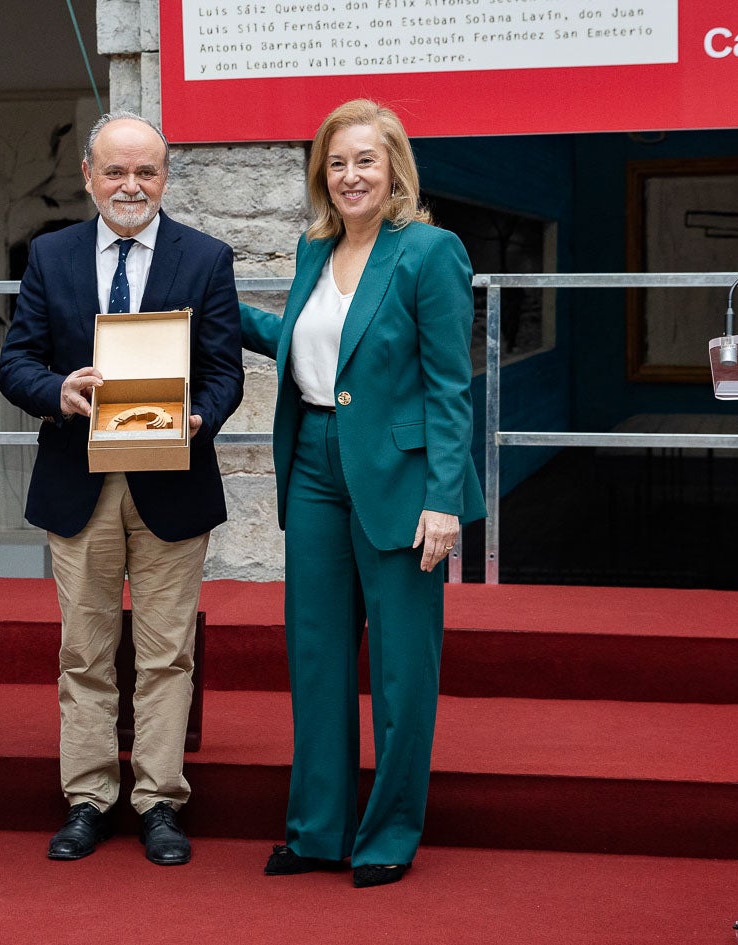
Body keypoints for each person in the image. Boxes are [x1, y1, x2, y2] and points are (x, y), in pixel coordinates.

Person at [239, 99, 485, 888]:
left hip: (403, 479)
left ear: (394, 170)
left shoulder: (428, 251)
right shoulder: (315, 251)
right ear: (322, 175)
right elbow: (309, 346)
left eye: (365, 161)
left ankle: (387, 833)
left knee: (402, 669)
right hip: (313, 463)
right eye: (336, 163)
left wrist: (443, 498)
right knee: (315, 657)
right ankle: (316, 831)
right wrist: (216, 313)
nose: (350, 175)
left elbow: (450, 386)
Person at [0, 111, 243, 866]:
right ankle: (88, 796)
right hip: (80, 481)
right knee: (85, 650)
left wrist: (199, 414)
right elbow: (16, 361)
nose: (130, 185)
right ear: (88, 176)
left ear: (164, 178)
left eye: (145, 172)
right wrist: (56, 390)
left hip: (174, 481)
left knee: (167, 653)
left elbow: (224, 368)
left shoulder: (204, 257)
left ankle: (159, 800)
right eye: (115, 171)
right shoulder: (51, 254)